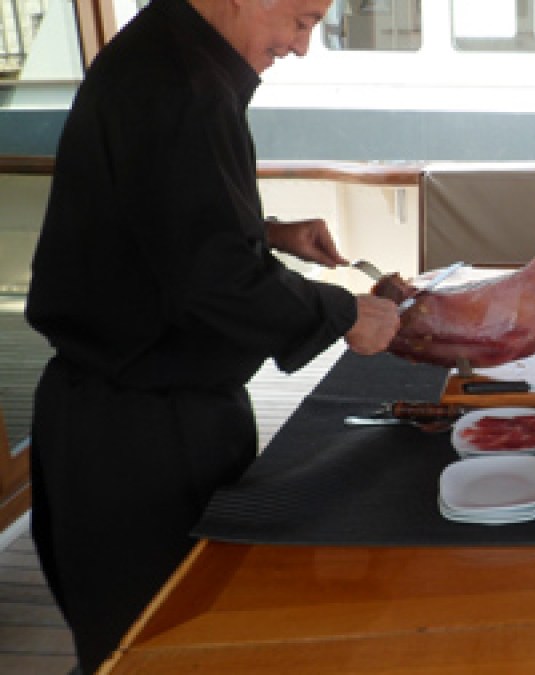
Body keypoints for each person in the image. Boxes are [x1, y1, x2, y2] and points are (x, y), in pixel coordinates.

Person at [23, 0, 393, 670]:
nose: (301, 47)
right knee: (155, 643)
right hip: (136, 435)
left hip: (124, 412)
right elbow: (213, 280)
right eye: (303, 20)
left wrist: (264, 233)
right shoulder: (182, 85)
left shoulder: (163, 51)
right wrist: (342, 313)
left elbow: (153, 223)